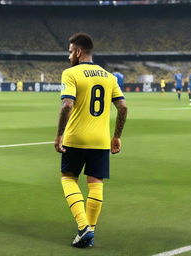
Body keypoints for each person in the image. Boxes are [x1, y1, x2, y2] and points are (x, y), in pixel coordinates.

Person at [54, 33, 127, 248]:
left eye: (70, 52)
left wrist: (59, 135)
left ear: (78, 51)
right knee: (95, 184)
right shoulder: (109, 76)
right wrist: (117, 136)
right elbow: (123, 107)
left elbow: (67, 105)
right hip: (101, 139)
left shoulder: (71, 73)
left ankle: (83, 226)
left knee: (68, 178)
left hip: (76, 137)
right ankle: (90, 232)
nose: (68, 57)